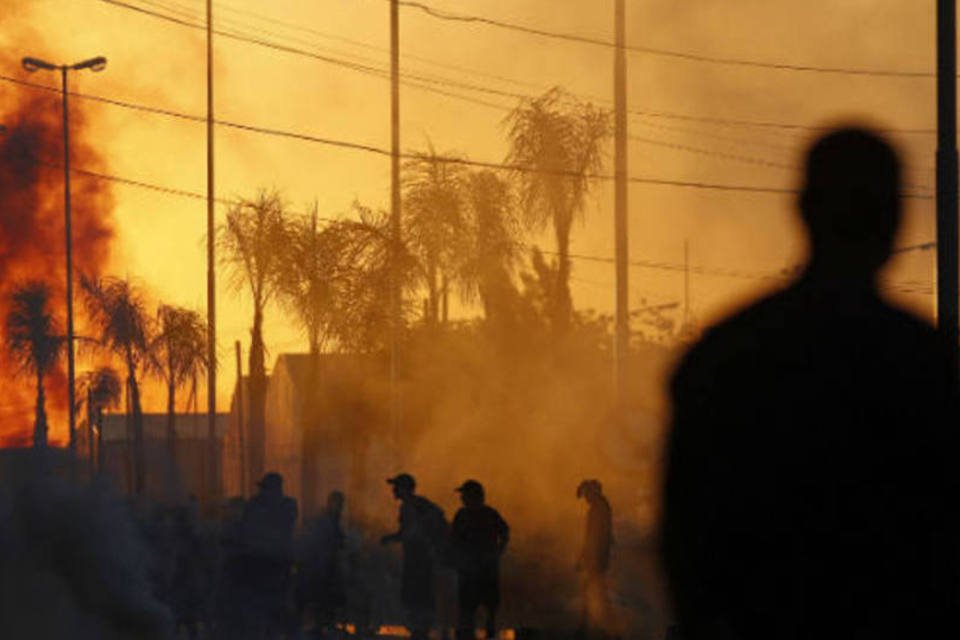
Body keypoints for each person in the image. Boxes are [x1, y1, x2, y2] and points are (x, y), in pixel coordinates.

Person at [660, 127, 960, 640]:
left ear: (802, 210)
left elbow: (686, 541)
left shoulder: (727, 358)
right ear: (894, 221)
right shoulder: (929, 366)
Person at [381, 473, 447, 640]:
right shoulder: (412, 505)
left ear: (404, 488)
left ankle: (421, 629)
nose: (393, 490)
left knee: (417, 593)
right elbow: (406, 533)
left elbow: (413, 531)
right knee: (416, 593)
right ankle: (420, 629)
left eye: (396, 487)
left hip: (419, 556)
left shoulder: (415, 505)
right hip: (416, 555)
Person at [240, 472, 298, 639]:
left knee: (279, 606)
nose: (262, 492)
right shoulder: (255, 505)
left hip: (278, 564)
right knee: (260, 609)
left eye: (266, 489)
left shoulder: (287, 505)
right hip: (259, 564)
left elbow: (282, 526)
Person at [450, 479, 509, 640]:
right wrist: (498, 552)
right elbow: (504, 533)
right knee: (483, 611)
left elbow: (453, 540)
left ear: (472, 496)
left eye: (464, 494)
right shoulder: (487, 513)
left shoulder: (465, 515)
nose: (461, 498)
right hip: (481, 569)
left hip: (474, 571)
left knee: (472, 611)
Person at [296, 490, 347, 637]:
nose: (338, 507)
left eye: (340, 504)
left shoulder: (332, 520)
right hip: (320, 567)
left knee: (325, 600)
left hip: (326, 566)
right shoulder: (326, 521)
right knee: (321, 599)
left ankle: (323, 626)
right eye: (336, 503)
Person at [576, 479, 612, 639]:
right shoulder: (602, 506)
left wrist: (583, 557)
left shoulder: (598, 509)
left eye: (586, 495)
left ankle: (593, 626)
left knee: (593, 589)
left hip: (597, 556)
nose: (586, 498)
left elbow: (593, 536)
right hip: (599, 556)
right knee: (595, 588)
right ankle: (594, 625)